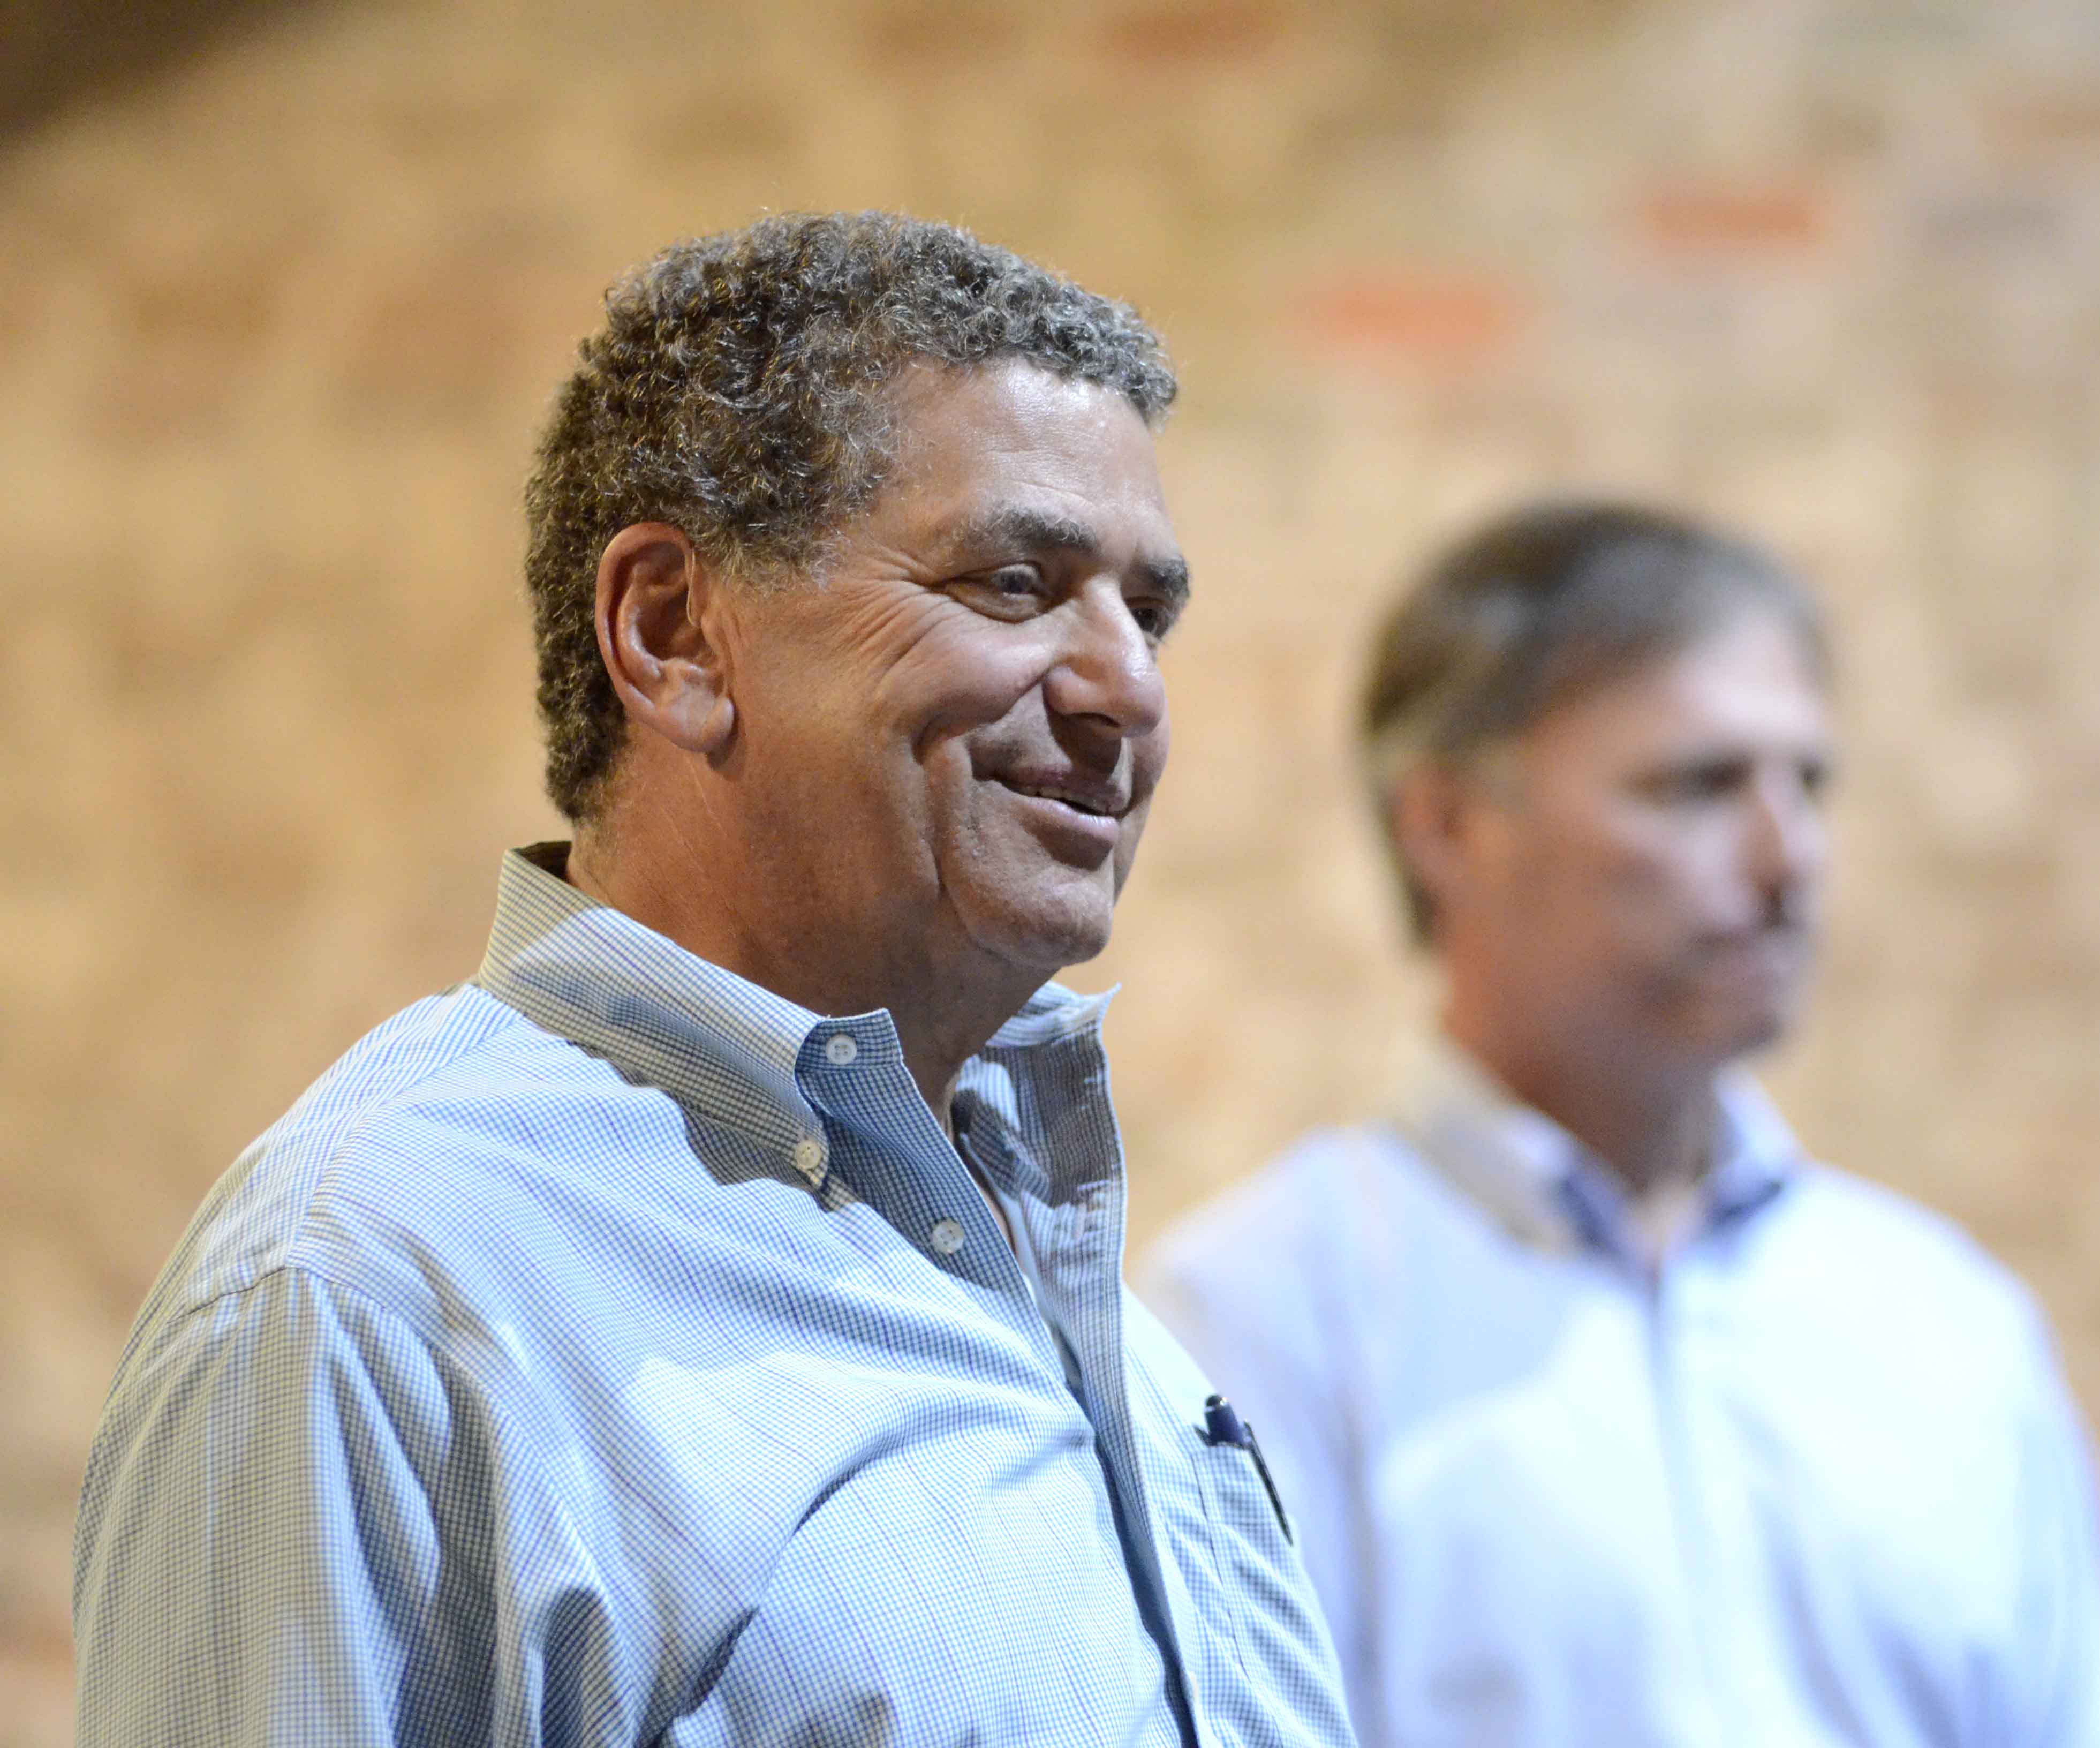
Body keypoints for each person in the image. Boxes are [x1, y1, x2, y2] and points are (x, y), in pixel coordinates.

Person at [72, 212, 1353, 1748]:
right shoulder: (371, 1292)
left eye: (1148, 615)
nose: (1129, 689)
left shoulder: (1032, 1244)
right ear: (673, 635)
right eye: (1017, 584)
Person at [1142, 503, 2100, 1748]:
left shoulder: (1945, 1323)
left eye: (1808, 784)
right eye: (1696, 787)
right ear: (1446, 824)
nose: (1788, 858)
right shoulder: (1260, 1323)